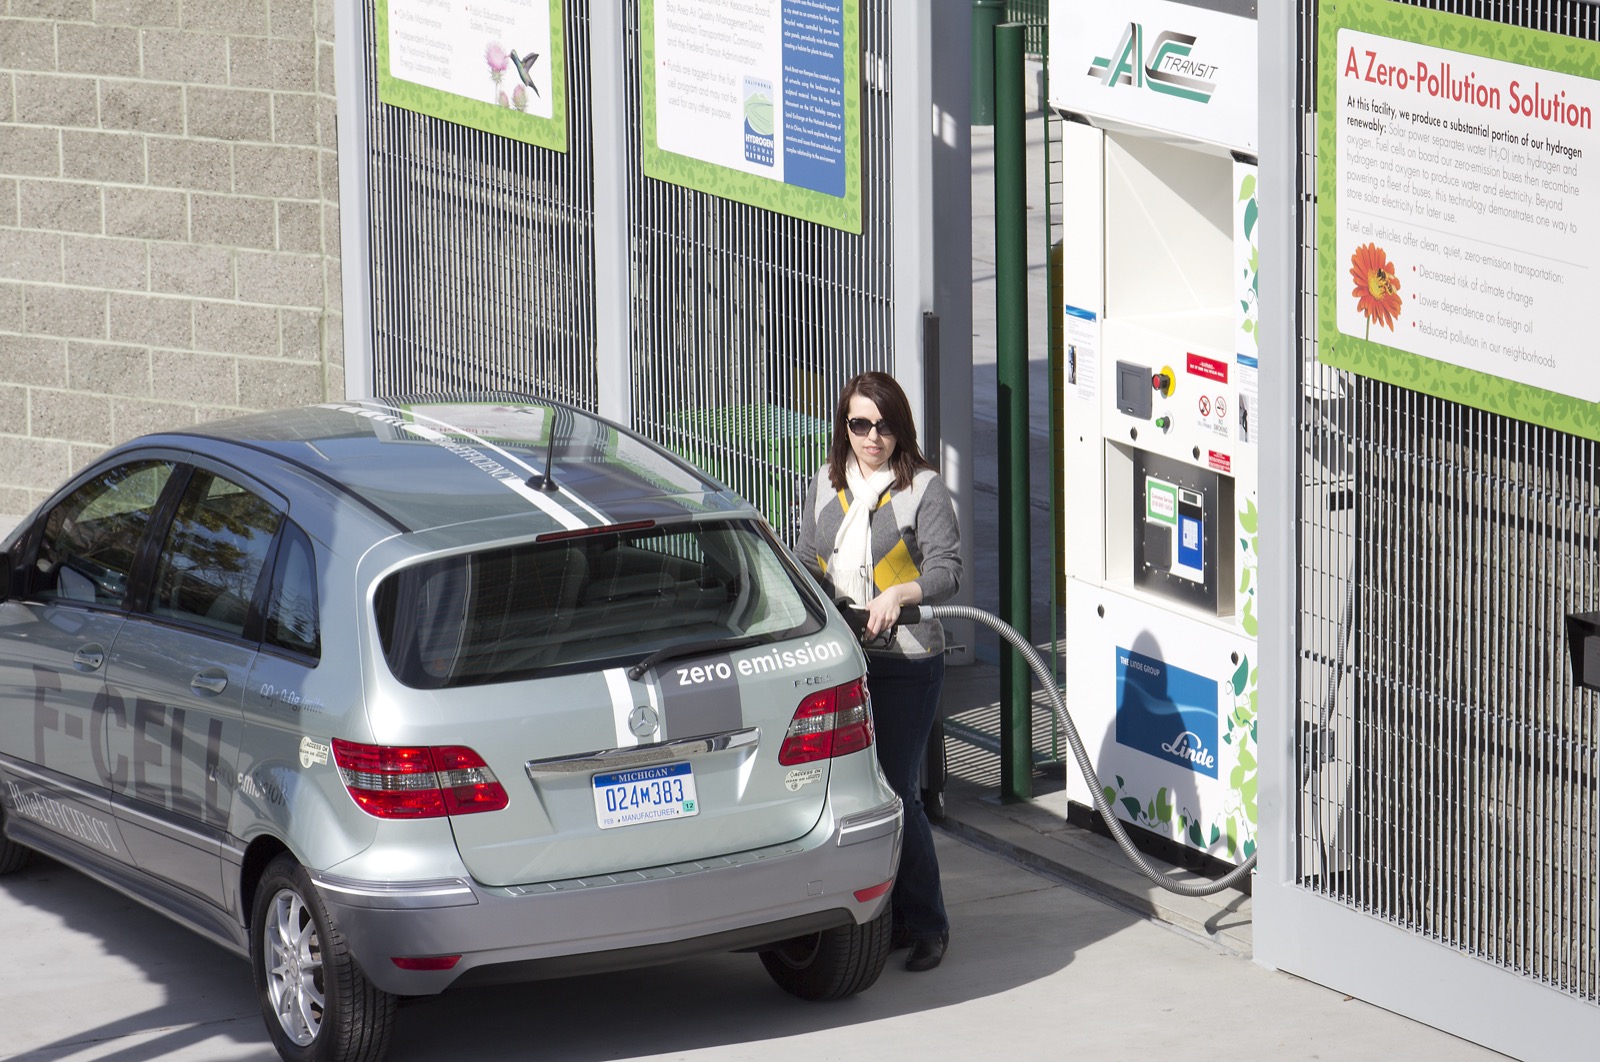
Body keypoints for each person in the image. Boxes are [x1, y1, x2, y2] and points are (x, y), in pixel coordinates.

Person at [797, 371, 961, 972]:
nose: (872, 436)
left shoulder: (922, 489)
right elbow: (806, 558)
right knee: (850, 796)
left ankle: (928, 924)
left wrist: (901, 594)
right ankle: (883, 917)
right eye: (860, 424)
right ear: (845, 428)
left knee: (895, 790)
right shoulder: (825, 485)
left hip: (908, 661)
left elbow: (947, 569)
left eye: (884, 425)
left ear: (901, 429)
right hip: (844, 657)